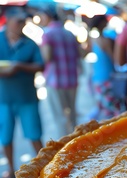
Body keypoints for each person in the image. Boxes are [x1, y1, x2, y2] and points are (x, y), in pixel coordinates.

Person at [0, 7, 44, 178]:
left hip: (27, 98)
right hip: (4, 99)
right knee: (6, 137)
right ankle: (10, 170)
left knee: (34, 135)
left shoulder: (30, 44)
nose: (22, 25)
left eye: (23, 22)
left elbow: (40, 66)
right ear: (8, 21)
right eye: (18, 21)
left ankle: (44, 169)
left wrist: (19, 67)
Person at [39, 6, 80, 137]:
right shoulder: (69, 34)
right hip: (72, 80)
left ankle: (64, 149)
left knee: (59, 118)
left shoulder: (48, 34)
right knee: (72, 115)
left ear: (48, 16)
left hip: (55, 81)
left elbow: (47, 58)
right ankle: (75, 142)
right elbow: (79, 55)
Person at [89, 15, 123, 120]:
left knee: (104, 108)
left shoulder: (93, 40)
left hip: (97, 79)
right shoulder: (107, 40)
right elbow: (114, 59)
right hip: (108, 78)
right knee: (113, 109)